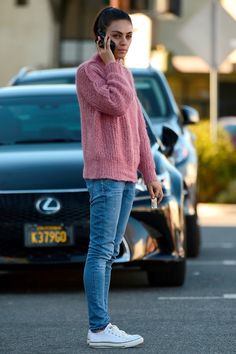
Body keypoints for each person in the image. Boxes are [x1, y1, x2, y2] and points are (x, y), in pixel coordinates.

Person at [76, 6, 163, 349]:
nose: (124, 43)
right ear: (101, 38)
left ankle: (103, 326)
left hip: (127, 176)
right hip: (104, 175)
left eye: (129, 36)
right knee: (99, 251)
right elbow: (113, 104)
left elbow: (138, 127)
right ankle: (98, 328)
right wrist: (112, 66)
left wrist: (150, 174)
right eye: (117, 36)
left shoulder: (122, 72)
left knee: (109, 252)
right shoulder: (89, 73)